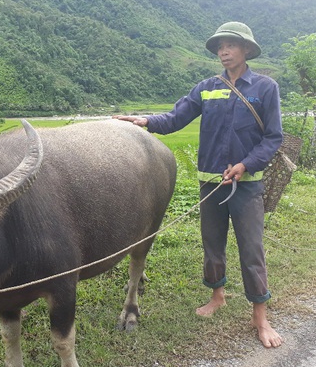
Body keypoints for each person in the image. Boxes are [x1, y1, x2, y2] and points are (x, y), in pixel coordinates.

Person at [114, 21, 283, 348]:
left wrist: (246, 164)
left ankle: (260, 317)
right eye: (220, 45)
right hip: (211, 185)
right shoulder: (207, 87)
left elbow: (273, 137)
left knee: (252, 250)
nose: (223, 50)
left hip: (246, 185)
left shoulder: (265, 88)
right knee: (212, 245)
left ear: (246, 49)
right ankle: (217, 295)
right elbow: (176, 118)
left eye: (230, 45)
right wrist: (146, 122)